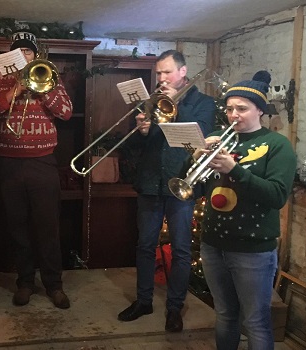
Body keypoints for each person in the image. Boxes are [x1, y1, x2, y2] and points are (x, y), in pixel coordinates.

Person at [118, 50, 215, 332]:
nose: (161, 78)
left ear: (183, 72)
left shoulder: (203, 102)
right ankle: (143, 301)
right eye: (158, 73)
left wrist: (173, 105)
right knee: (145, 245)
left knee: (182, 250)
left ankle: (174, 308)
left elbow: (200, 136)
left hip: (181, 182)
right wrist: (142, 131)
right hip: (150, 182)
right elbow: (132, 147)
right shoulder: (148, 103)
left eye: (167, 72)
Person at [197, 71, 296, 349]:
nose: (233, 115)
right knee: (225, 315)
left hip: (253, 248)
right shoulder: (219, 138)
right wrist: (192, 159)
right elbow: (192, 189)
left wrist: (235, 170)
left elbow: (276, 196)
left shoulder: (277, 146)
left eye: (242, 108)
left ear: (260, 111)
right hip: (213, 244)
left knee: (255, 321)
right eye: (229, 109)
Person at [0, 32, 73, 309]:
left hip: (42, 162)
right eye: (19, 51)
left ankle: (54, 285)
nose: (24, 56)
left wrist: (43, 90)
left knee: (48, 227)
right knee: (16, 227)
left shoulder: (50, 78)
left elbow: (67, 112)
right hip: (7, 163)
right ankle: (24, 282)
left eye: (29, 52)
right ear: (10, 57)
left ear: (36, 56)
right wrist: (15, 90)